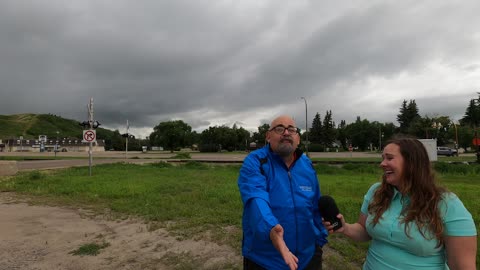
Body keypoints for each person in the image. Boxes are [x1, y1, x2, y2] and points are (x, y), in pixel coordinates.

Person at [323, 137, 477, 269]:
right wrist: (345, 228)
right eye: (382, 158)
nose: (382, 164)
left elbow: (462, 266)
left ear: (412, 163)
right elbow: (364, 231)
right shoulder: (376, 192)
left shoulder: (447, 204)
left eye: (389, 158)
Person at [238, 115, 328, 270]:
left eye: (291, 129)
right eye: (279, 129)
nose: (286, 133)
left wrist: (319, 239)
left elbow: (315, 203)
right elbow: (256, 198)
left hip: (307, 257)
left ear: (298, 138)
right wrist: (272, 229)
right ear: (268, 136)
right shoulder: (255, 161)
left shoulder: (306, 164)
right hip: (265, 259)